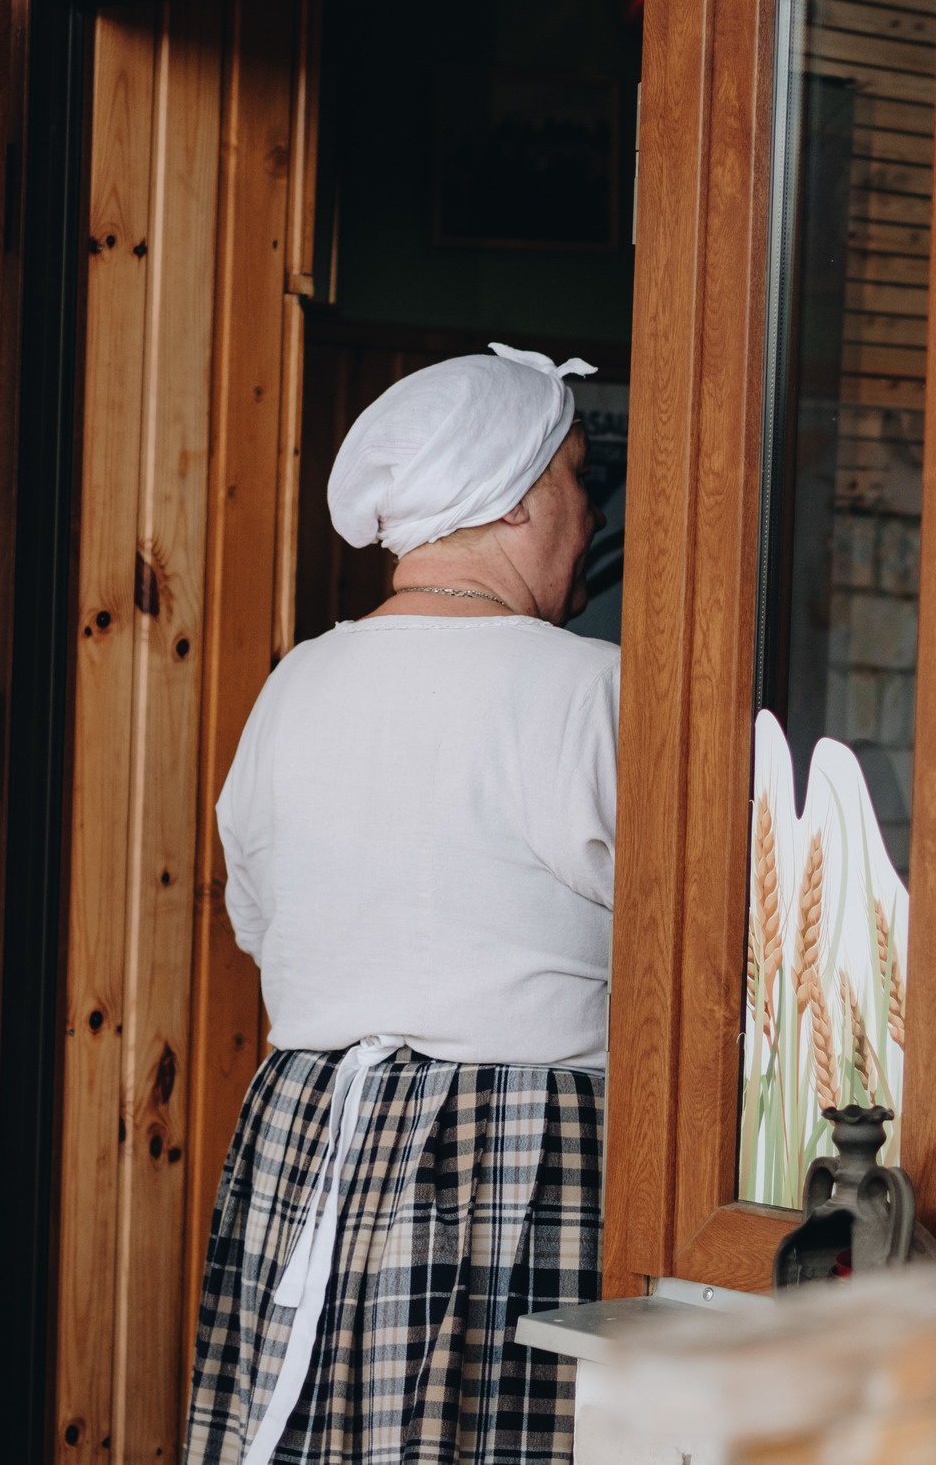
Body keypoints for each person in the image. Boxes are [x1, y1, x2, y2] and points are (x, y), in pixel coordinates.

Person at [185, 343, 619, 1465]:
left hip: (311, 1123)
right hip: (515, 1143)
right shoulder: (583, 685)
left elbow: (262, 917)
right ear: (523, 499)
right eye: (581, 478)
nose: (588, 508)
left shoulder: (300, 679)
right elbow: (682, 948)